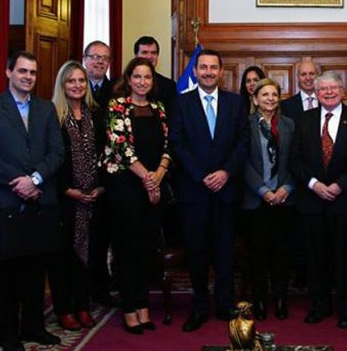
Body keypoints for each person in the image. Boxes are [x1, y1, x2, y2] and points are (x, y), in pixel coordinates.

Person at [0, 51, 64, 351]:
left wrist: (35, 179)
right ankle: (10, 336)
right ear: (8, 72)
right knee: (6, 276)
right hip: (4, 204)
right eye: (23, 71)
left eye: (33, 73)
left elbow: (56, 153)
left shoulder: (47, 109)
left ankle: (35, 328)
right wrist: (20, 181)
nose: (28, 77)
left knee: (36, 273)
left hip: (39, 202)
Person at [168, 49, 250, 332]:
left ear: (221, 71)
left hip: (227, 190)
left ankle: (226, 304)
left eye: (213, 68)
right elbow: (176, 143)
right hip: (194, 191)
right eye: (203, 67)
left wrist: (225, 172)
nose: (207, 72)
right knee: (197, 251)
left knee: (225, 251)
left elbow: (243, 142)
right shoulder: (180, 103)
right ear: (195, 71)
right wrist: (202, 175)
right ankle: (199, 305)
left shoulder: (236, 103)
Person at [291, 71, 347, 329]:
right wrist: (315, 185)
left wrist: (339, 185)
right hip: (312, 201)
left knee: (344, 259)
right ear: (315, 93)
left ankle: (346, 309)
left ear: (342, 90)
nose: (328, 92)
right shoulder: (302, 120)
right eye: (322, 89)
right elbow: (294, 160)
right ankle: (319, 306)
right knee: (316, 258)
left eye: (333, 88)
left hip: (345, 200)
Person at [100, 57, 171, 334]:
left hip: (154, 185)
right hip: (125, 187)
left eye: (148, 77)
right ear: (128, 79)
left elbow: (168, 145)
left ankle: (143, 305)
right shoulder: (117, 106)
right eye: (137, 77)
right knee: (127, 249)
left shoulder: (159, 108)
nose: (142, 82)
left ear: (153, 82)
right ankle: (129, 307)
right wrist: (147, 179)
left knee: (146, 249)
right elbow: (121, 148)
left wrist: (158, 177)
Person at [49, 61, 102, 331]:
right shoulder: (52, 115)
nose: (77, 85)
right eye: (71, 81)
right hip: (65, 200)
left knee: (88, 255)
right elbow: (48, 159)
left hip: (93, 199)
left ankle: (83, 304)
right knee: (63, 257)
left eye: (81, 80)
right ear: (62, 84)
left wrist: (100, 187)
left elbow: (106, 154)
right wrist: (68, 191)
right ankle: (65, 308)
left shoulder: (96, 113)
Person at [241, 78, 295, 321]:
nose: (270, 98)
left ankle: (281, 300)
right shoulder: (245, 124)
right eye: (265, 94)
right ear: (255, 99)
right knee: (258, 255)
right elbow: (242, 162)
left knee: (282, 254)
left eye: (274, 94)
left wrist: (287, 187)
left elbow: (298, 160)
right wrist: (263, 190)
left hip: (285, 199)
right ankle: (260, 301)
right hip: (256, 200)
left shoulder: (289, 125)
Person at [82, 40, 117, 306]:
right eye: (94, 57)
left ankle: (102, 287)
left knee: (105, 235)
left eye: (104, 58)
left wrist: (104, 181)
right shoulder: (74, 86)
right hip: (77, 176)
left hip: (108, 175)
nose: (99, 62)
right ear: (85, 59)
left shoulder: (115, 90)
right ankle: (82, 290)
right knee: (80, 238)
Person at [134, 35, 177, 110]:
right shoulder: (120, 84)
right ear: (136, 56)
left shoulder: (169, 86)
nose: (149, 56)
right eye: (144, 52)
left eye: (153, 53)